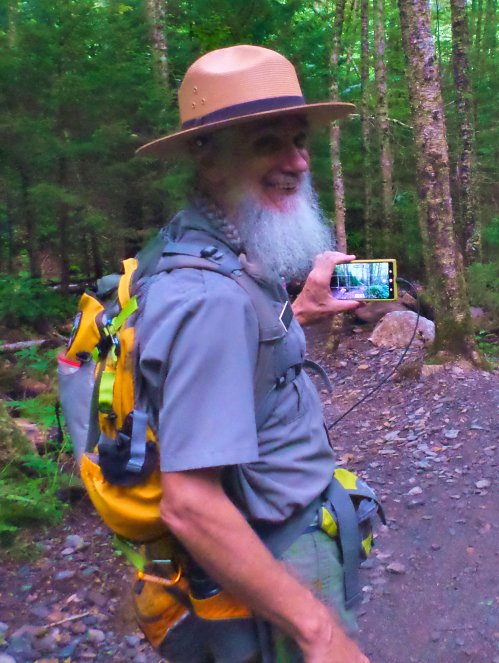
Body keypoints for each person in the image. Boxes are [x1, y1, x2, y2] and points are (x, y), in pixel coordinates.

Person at [135, 45, 369, 662]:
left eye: (300, 139)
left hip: (266, 538)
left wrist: (305, 311)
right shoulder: (211, 298)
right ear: (206, 156)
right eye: (269, 142)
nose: (297, 160)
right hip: (271, 554)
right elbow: (190, 505)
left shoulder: (204, 241)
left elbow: (236, 366)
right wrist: (319, 635)